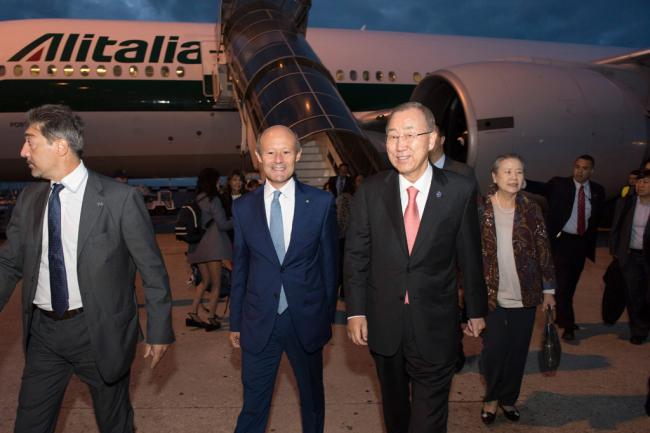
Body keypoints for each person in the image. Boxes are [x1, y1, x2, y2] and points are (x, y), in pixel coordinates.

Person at [0, 104, 174, 433]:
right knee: (29, 424)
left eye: (30, 141)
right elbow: (9, 263)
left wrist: (159, 329)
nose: (23, 151)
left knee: (114, 423)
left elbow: (152, 270)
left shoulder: (119, 199)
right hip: (44, 334)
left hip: (99, 332)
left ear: (60, 146)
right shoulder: (29, 199)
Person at [345, 102, 487, 433]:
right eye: (393, 136)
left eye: (410, 134)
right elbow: (356, 256)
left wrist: (476, 309)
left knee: (428, 420)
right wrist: (355, 311)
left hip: (436, 322)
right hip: (385, 322)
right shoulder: (370, 191)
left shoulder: (458, 190)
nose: (400, 145)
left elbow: (469, 254)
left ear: (432, 138)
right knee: (395, 412)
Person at [229, 125, 338, 433]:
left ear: (298, 155)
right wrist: (235, 321)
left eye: (286, 151)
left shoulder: (321, 203)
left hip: (305, 319)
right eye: (270, 152)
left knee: (312, 400)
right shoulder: (243, 207)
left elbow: (330, 268)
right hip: (258, 320)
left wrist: (324, 319)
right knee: (253, 405)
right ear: (258, 156)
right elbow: (241, 267)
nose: (278, 159)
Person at [477, 154, 556, 424]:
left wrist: (549, 290)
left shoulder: (532, 209)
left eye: (519, 172)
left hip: (525, 294)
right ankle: (491, 397)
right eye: (508, 171)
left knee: (518, 351)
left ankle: (508, 399)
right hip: (491, 295)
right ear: (494, 176)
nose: (514, 177)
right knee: (494, 350)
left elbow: (544, 249)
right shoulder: (480, 208)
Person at [526, 155, 606, 341]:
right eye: (577, 166)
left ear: (591, 171)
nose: (580, 171)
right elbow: (540, 187)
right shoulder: (559, 185)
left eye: (585, 168)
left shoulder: (598, 191)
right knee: (561, 286)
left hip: (581, 243)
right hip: (561, 241)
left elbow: (596, 218)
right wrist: (520, 181)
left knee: (570, 285)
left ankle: (563, 316)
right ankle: (568, 325)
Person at [185, 168, 233, 330]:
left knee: (205, 281)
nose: (220, 183)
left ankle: (193, 313)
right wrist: (237, 220)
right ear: (213, 181)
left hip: (198, 246)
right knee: (216, 283)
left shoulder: (198, 198)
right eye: (218, 180)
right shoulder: (213, 199)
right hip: (213, 246)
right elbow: (222, 224)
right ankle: (211, 318)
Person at [610, 169, 650, 344]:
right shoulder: (626, 203)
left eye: (646, 182)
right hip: (631, 256)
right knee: (634, 296)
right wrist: (616, 252)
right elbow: (616, 227)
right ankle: (639, 330)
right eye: (639, 182)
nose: (640, 185)